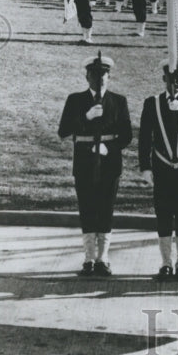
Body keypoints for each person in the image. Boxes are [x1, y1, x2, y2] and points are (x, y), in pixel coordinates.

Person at [58, 53, 133, 277]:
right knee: (87, 208)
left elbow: (127, 134)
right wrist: (86, 118)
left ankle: (103, 258)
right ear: (87, 76)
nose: (100, 79)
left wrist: (110, 147)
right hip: (84, 160)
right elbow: (63, 132)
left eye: (104, 74)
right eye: (95, 74)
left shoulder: (118, 101)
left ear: (109, 77)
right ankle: (89, 258)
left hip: (109, 162)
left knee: (106, 208)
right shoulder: (75, 100)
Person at [138, 61, 178, 281]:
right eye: (171, 80)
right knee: (163, 214)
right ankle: (165, 263)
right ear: (164, 79)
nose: (175, 85)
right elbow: (145, 137)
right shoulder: (152, 103)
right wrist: (145, 167)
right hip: (162, 167)